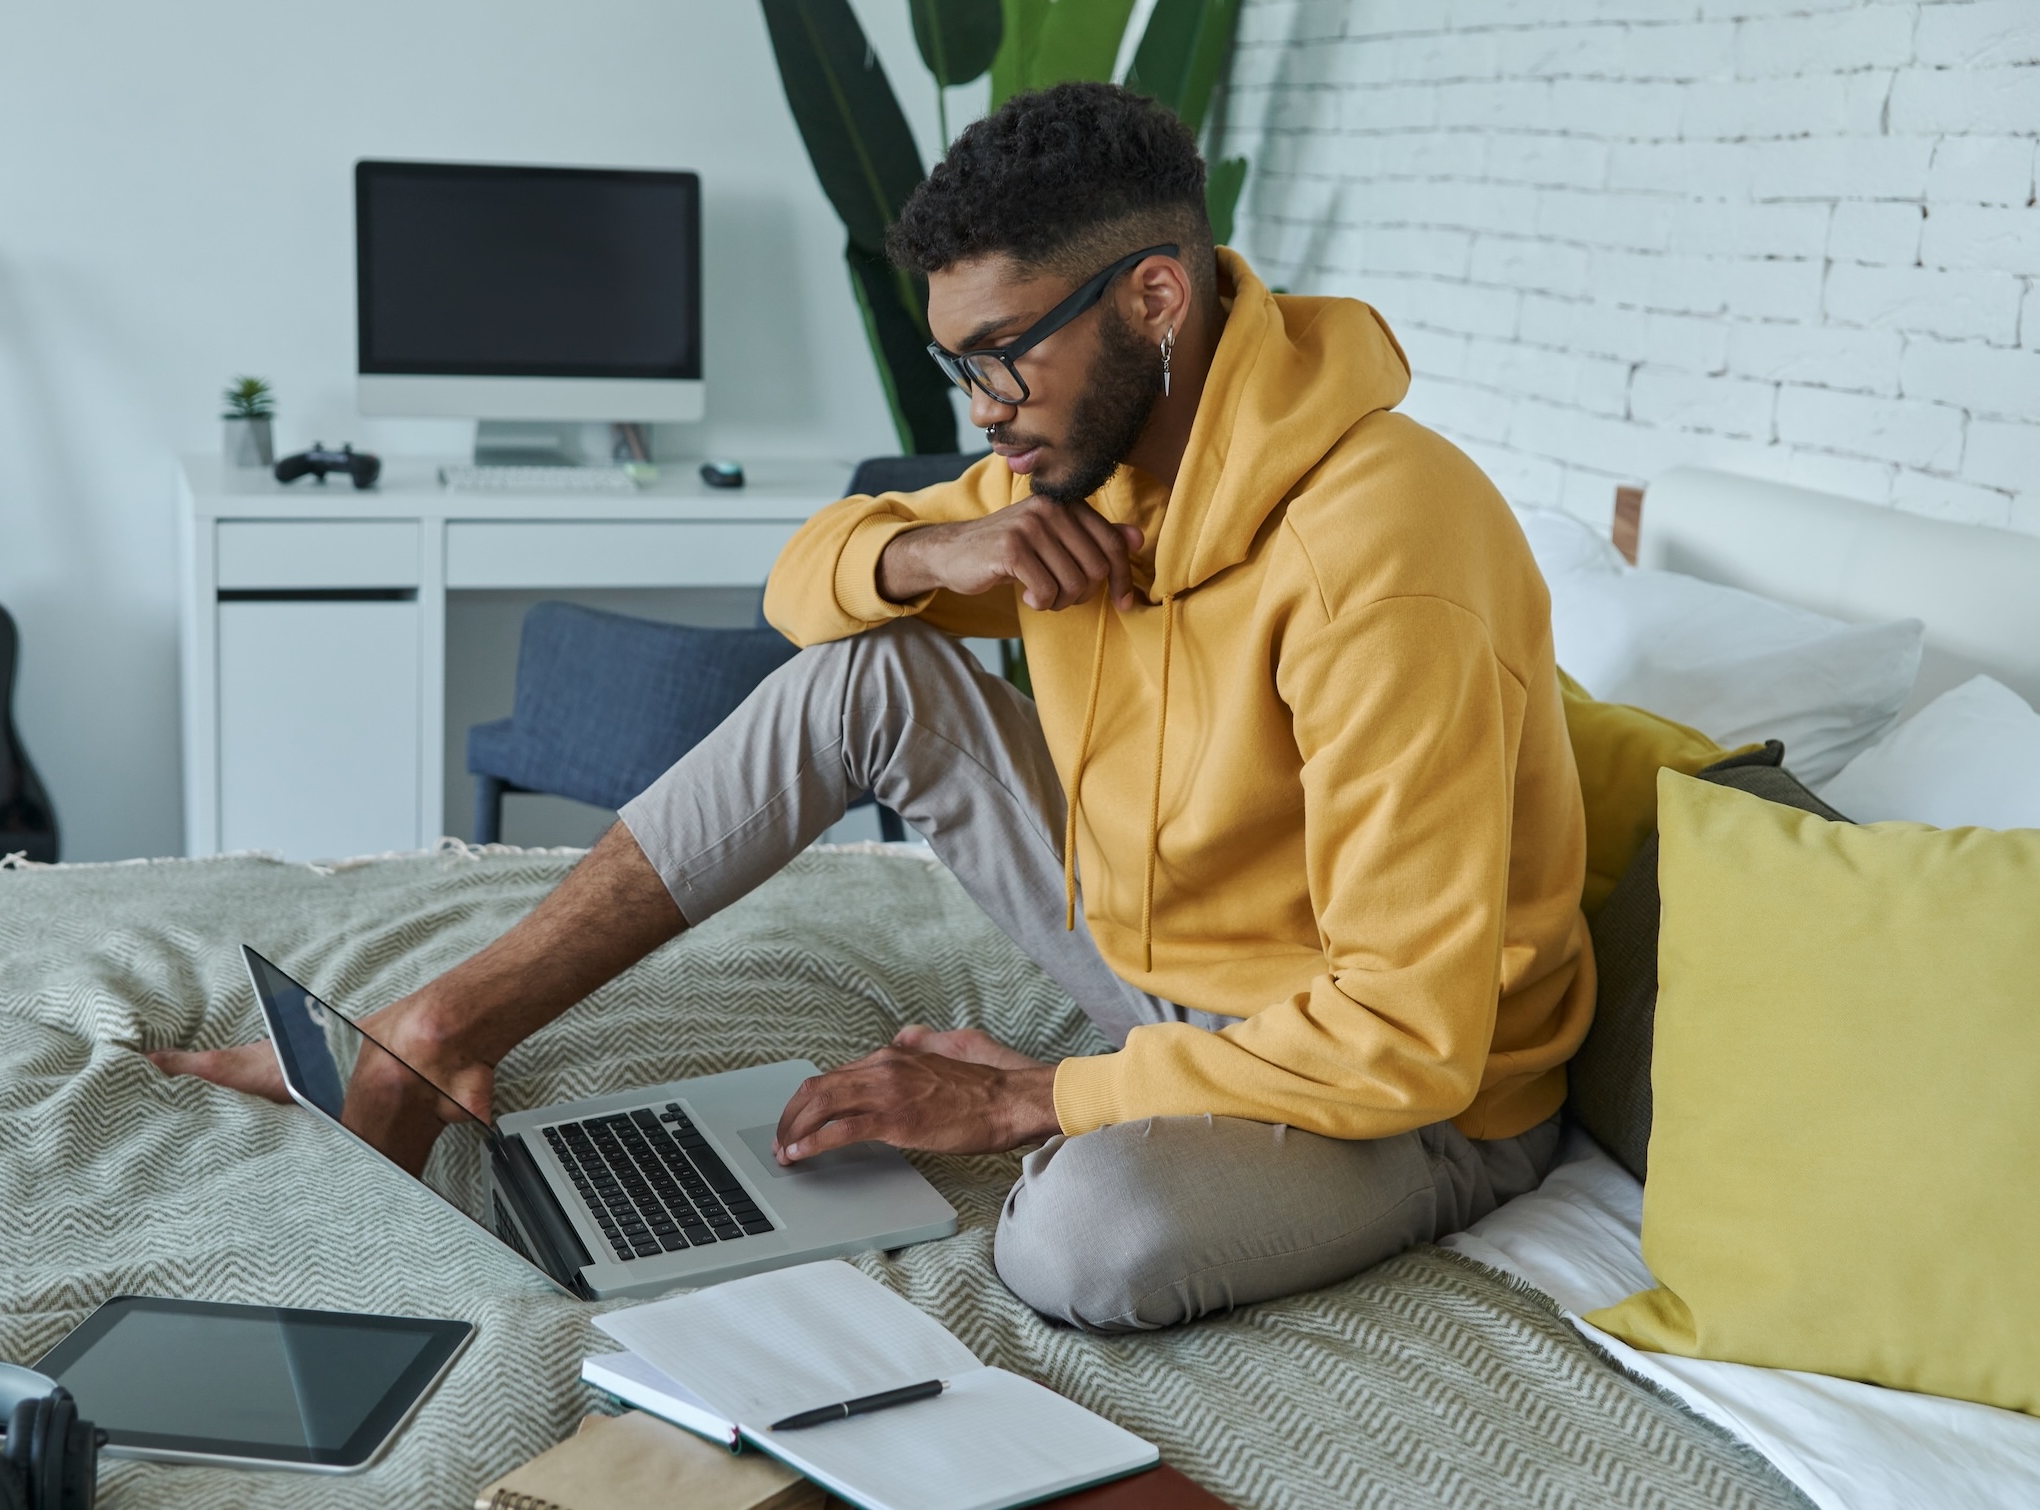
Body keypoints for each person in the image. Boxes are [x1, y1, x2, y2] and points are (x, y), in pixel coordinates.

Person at [154, 81, 1594, 1333]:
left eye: (1001, 354)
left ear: (1156, 298)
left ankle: (1135, 1113)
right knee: (871, 667)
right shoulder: (1090, 457)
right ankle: (443, 1021)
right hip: (1166, 966)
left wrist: (1038, 1099)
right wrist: (925, 548)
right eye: (954, 364)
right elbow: (803, 586)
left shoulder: (1383, 558)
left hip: (1415, 1094)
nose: (981, 408)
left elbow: (1409, 1031)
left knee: (1078, 1241)